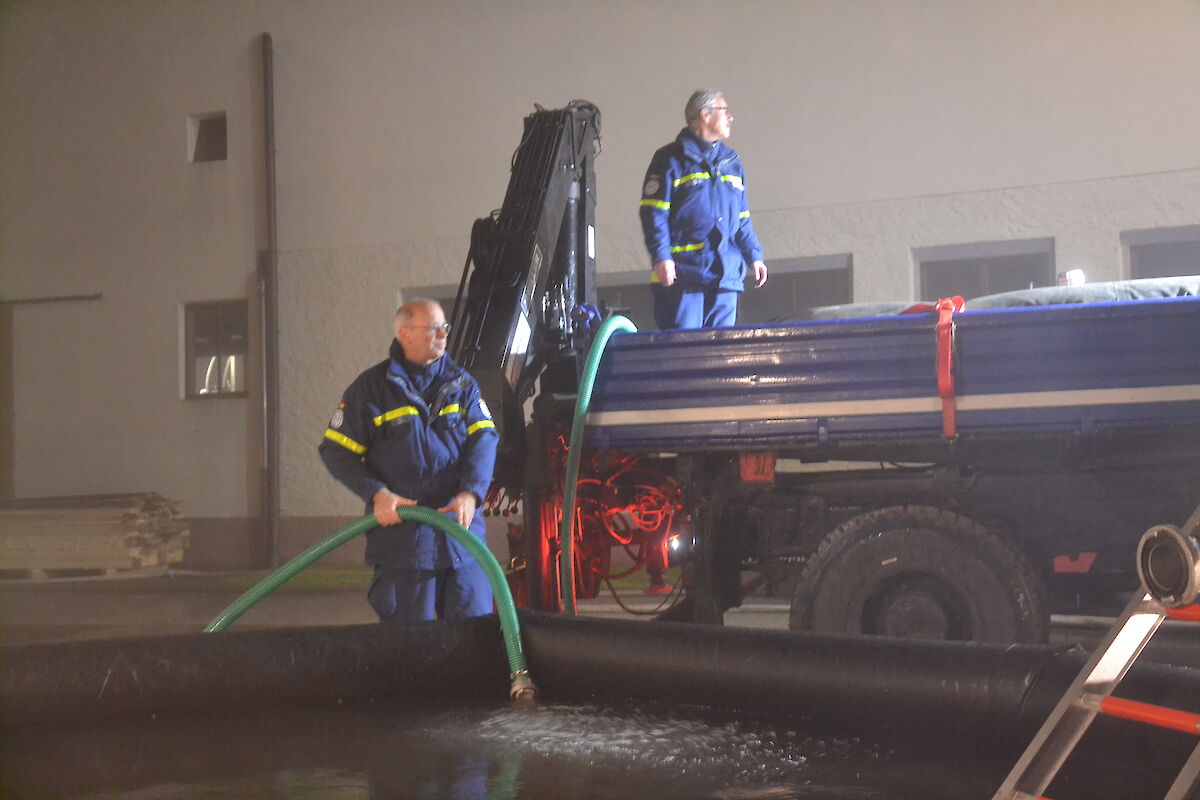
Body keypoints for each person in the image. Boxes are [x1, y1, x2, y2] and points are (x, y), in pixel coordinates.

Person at [318, 299, 498, 623]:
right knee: (409, 651)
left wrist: (471, 493)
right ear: (405, 334)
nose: (443, 334)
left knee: (476, 640)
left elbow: (484, 440)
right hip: (404, 546)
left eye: (446, 327)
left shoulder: (463, 385)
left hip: (462, 538)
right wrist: (377, 494)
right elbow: (336, 451)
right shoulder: (371, 391)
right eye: (434, 327)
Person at [639, 89, 768, 330]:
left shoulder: (732, 163)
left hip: (726, 278)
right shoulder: (670, 159)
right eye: (725, 111)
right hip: (684, 277)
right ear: (705, 115)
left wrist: (754, 256)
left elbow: (742, 221)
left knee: (719, 357)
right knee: (683, 354)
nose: (731, 117)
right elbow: (654, 213)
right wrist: (662, 257)